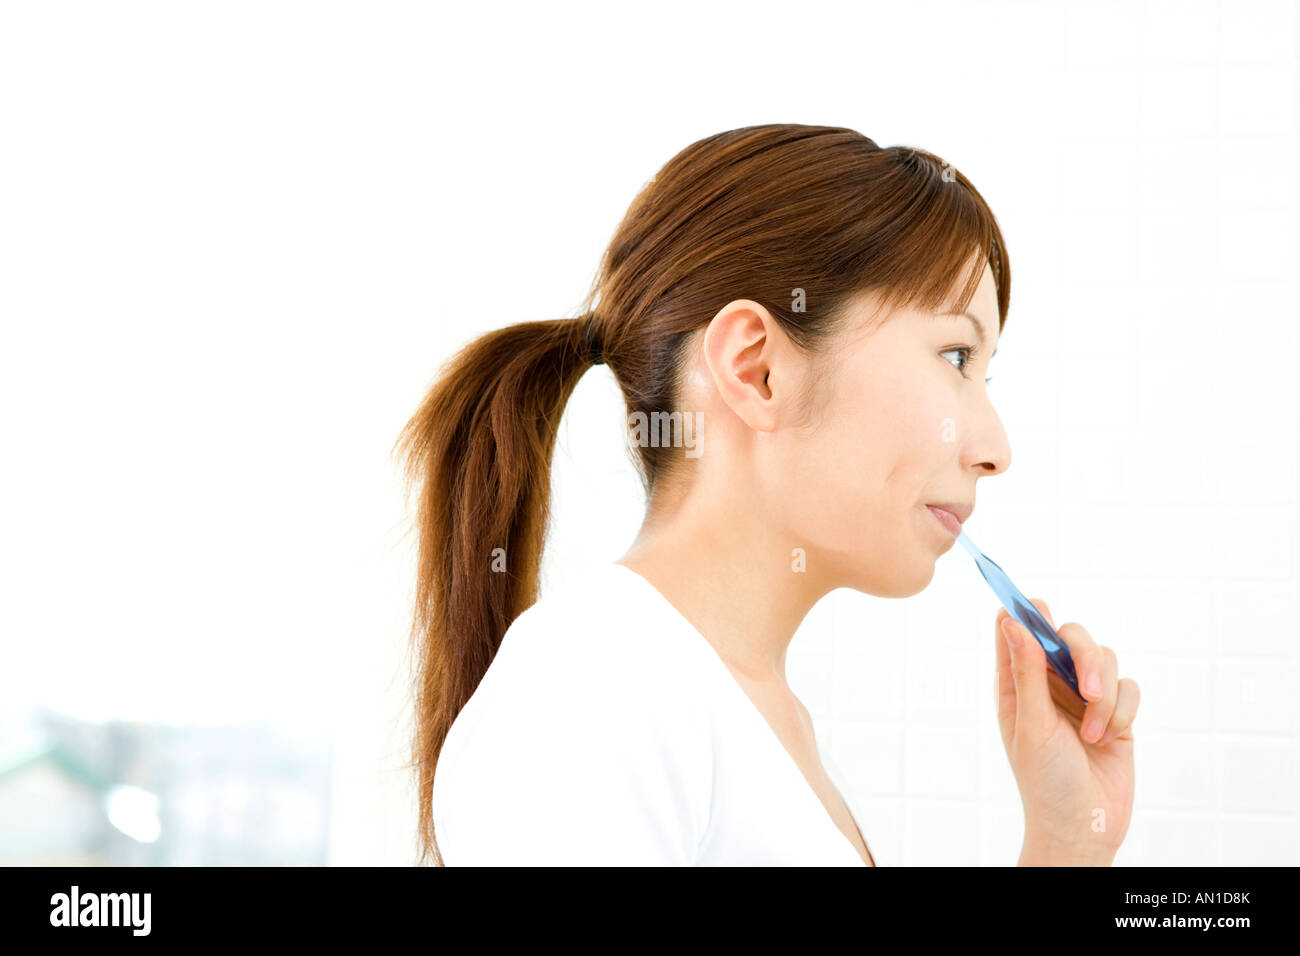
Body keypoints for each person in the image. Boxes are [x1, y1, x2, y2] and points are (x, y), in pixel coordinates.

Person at [393, 123, 1140, 866]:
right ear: (756, 370)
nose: (994, 449)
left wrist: (1069, 843)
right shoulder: (588, 694)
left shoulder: (758, 721)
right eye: (955, 355)